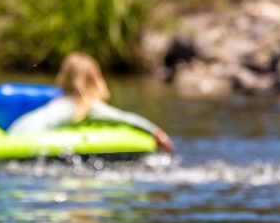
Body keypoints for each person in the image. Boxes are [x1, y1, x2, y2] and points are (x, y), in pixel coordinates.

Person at [9, 52, 176, 153]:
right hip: (31, 140)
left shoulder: (57, 102)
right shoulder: (85, 106)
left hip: (16, 132)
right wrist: (158, 134)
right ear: (95, 80)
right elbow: (125, 118)